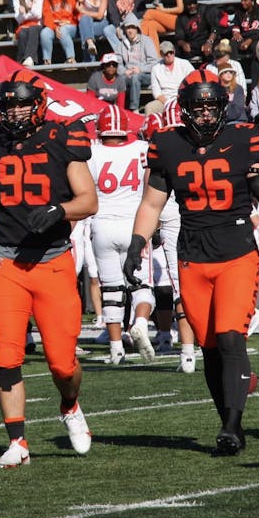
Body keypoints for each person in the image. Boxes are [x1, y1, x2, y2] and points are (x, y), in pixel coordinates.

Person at [130, 70, 259, 454]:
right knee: (210, 346)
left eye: (211, 106)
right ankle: (227, 420)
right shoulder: (167, 144)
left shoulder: (245, 138)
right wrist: (137, 242)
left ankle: (233, 426)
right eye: (197, 107)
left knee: (232, 336)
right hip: (192, 252)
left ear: (223, 107)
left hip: (236, 249)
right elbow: (153, 202)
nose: (204, 115)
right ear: (183, 110)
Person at [0, 70, 97, 467]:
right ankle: (17, 442)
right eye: (9, 105)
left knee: (62, 362)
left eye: (23, 103)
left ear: (39, 105)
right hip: (6, 260)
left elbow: (88, 200)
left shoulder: (60, 138)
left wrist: (59, 209)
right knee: (6, 355)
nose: (17, 111)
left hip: (53, 260)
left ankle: (70, 405)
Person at [89, 105, 156, 364]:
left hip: (102, 225)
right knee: (140, 284)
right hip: (134, 223)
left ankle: (116, 348)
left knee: (111, 289)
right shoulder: (141, 149)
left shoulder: (92, 153)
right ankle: (139, 322)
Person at [119, 20, 157, 111]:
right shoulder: (122, 44)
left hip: (145, 74)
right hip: (129, 73)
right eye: (128, 28)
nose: (130, 30)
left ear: (137, 29)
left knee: (135, 77)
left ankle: (134, 109)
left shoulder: (147, 41)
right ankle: (118, 108)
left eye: (132, 27)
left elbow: (154, 63)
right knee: (118, 80)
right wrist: (125, 71)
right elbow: (118, 63)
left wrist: (140, 69)